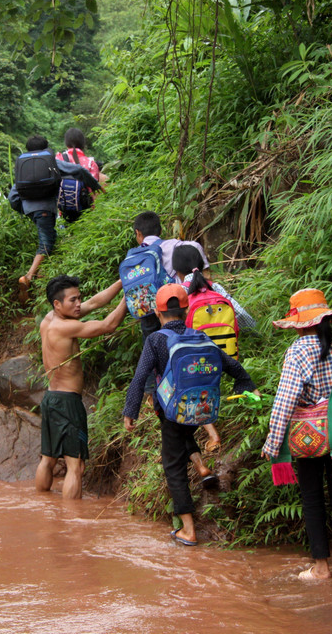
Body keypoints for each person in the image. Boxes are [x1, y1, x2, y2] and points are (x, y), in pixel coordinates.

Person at [123, 284, 257, 546]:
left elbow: (140, 378)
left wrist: (130, 411)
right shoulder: (200, 336)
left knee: (173, 467)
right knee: (184, 437)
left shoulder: (156, 339)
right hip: (199, 409)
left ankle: (188, 529)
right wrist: (245, 384)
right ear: (185, 310)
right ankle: (202, 466)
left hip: (171, 410)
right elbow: (233, 366)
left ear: (158, 314)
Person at [261, 288, 332, 581]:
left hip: (307, 437)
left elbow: (285, 401)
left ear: (301, 323)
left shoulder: (296, 352)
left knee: (311, 497)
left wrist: (273, 441)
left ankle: (321, 568)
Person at [37, 275, 126, 499]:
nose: (79, 304)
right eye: (73, 301)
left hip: (50, 399)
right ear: (58, 303)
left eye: (79, 299)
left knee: (48, 459)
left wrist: (123, 281)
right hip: (68, 403)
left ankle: (41, 505)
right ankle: (71, 522)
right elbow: (109, 325)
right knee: (75, 466)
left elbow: (96, 302)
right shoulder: (65, 327)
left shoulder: (49, 320)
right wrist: (131, 296)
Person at [172, 244, 258, 454]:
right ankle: (249, 415)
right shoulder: (216, 287)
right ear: (201, 265)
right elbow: (245, 319)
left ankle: (212, 433)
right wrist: (256, 335)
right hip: (227, 354)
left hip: (196, 362)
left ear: (176, 271)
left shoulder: (177, 293)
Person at [8, 135, 101, 298]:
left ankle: (39, 277)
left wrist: (26, 210)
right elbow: (79, 170)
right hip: (45, 208)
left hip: (29, 208)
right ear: (45, 148)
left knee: (49, 237)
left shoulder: (24, 164)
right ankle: (28, 277)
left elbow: (12, 197)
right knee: (46, 242)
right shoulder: (50, 161)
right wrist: (95, 186)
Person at [129, 211, 210, 340]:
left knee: (154, 346)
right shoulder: (181, 246)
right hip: (179, 308)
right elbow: (205, 273)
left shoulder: (134, 258)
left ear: (138, 233)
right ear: (160, 230)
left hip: (150, 313)